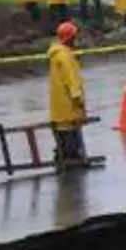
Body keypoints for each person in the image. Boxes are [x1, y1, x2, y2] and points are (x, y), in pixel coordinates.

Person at [47, 21, 89, 166]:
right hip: (68, 105)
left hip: (58, 106)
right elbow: (72, 81)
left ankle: (62, 153)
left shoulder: (56, 55)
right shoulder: (65, 57)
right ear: (69, 38)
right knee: (70, 134)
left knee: (63, 132)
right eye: (74, 37)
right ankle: (68, 157)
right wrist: (79, 100)